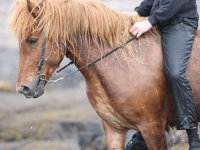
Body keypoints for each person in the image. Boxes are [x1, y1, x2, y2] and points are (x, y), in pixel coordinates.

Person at [125, 0, 200, 150]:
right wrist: (138, 12)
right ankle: (143, 136)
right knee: (149, 77)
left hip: (180, 24)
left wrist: (150, 21)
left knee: (175, 74)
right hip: (160, 23)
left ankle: (193, 138)